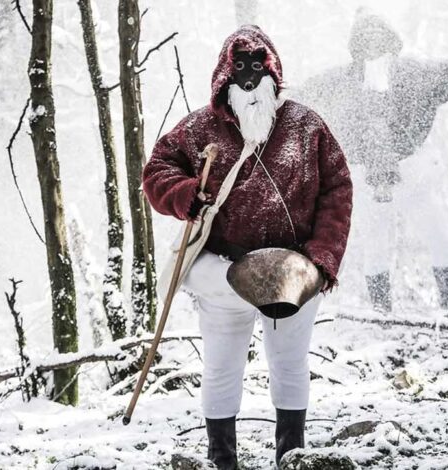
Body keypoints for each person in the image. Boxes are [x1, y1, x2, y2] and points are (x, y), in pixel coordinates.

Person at [142, 25, 353, 469]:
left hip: (293, 273)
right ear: (224, 78)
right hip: (223, 271)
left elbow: (337, 188)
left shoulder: (306, 125)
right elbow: (156, 170)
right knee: (220, 367)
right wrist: (184, 193)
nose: (250, 80)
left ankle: (290, 457)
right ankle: (223, 462)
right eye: (240, 70)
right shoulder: (200, 128)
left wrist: (319, 260)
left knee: (290, 365)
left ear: (274, 73)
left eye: (259, 69)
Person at [298, 10, 448, 314]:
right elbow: (298, 98)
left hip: (413, 172)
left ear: (392, 44)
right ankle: (382, 314)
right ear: (357, 49)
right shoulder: (341, 83)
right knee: (379, 244)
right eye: (367, 44)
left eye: (380, 43)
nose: (375, 51)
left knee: (438, 234)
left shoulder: (413, 75)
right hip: (366, 177)